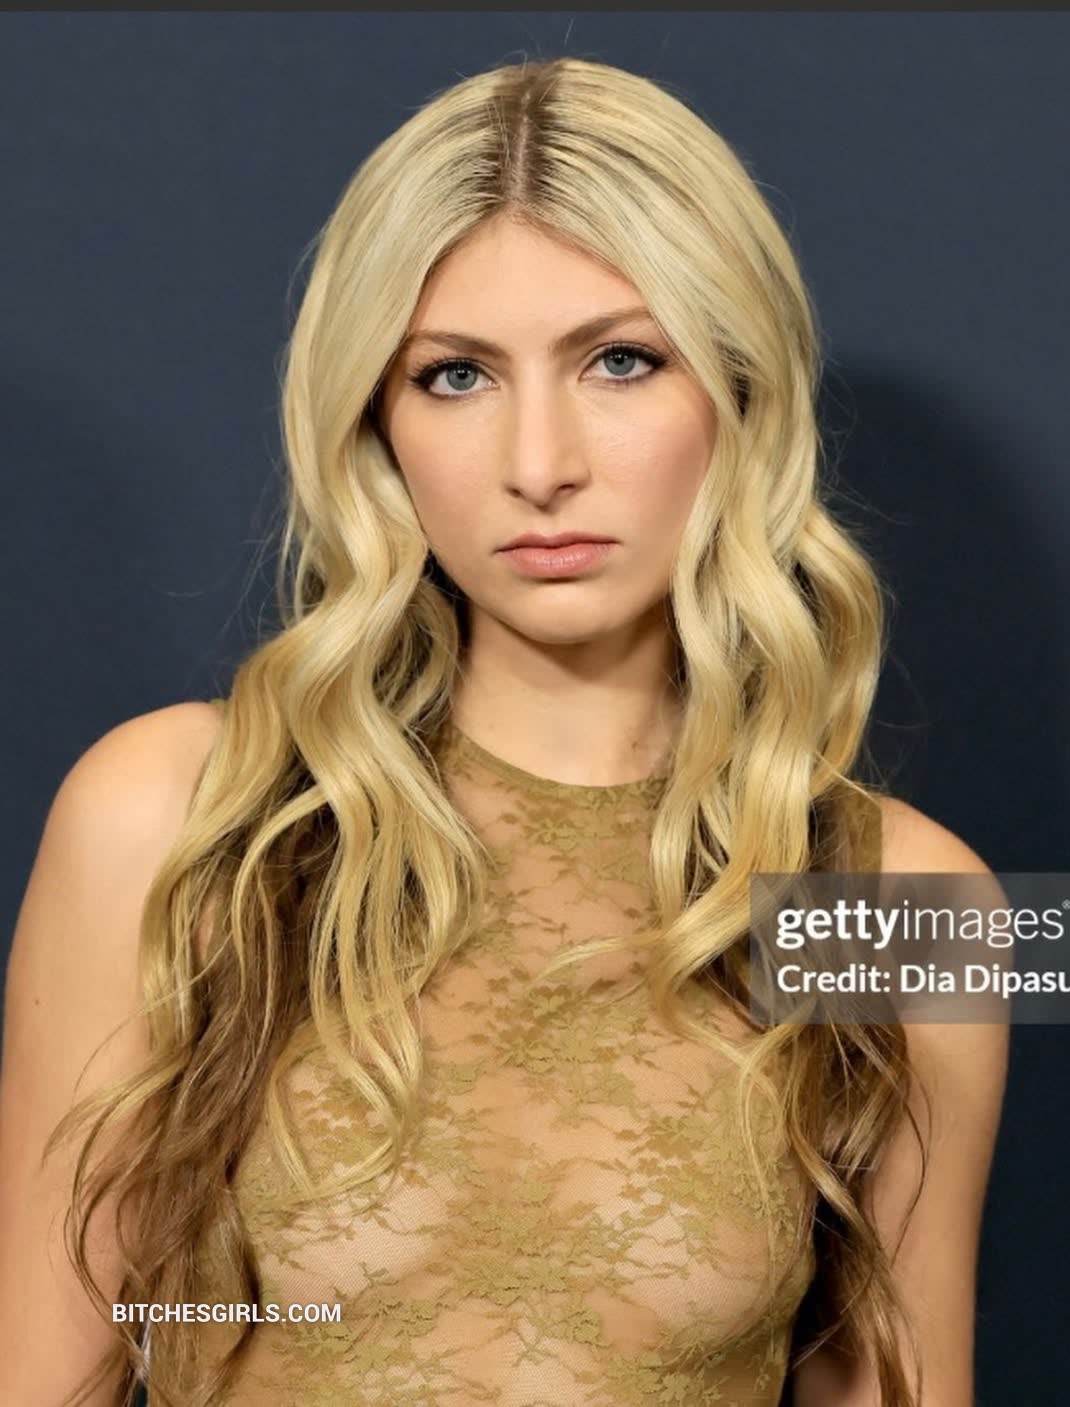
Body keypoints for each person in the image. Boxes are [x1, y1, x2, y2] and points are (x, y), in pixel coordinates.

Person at [0, 55, 1008, 1407]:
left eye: (621, 361)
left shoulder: (913, 904)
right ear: (378, 421)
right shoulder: (175, 811)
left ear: (742, 392)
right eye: (457, 376)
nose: (541, 465)